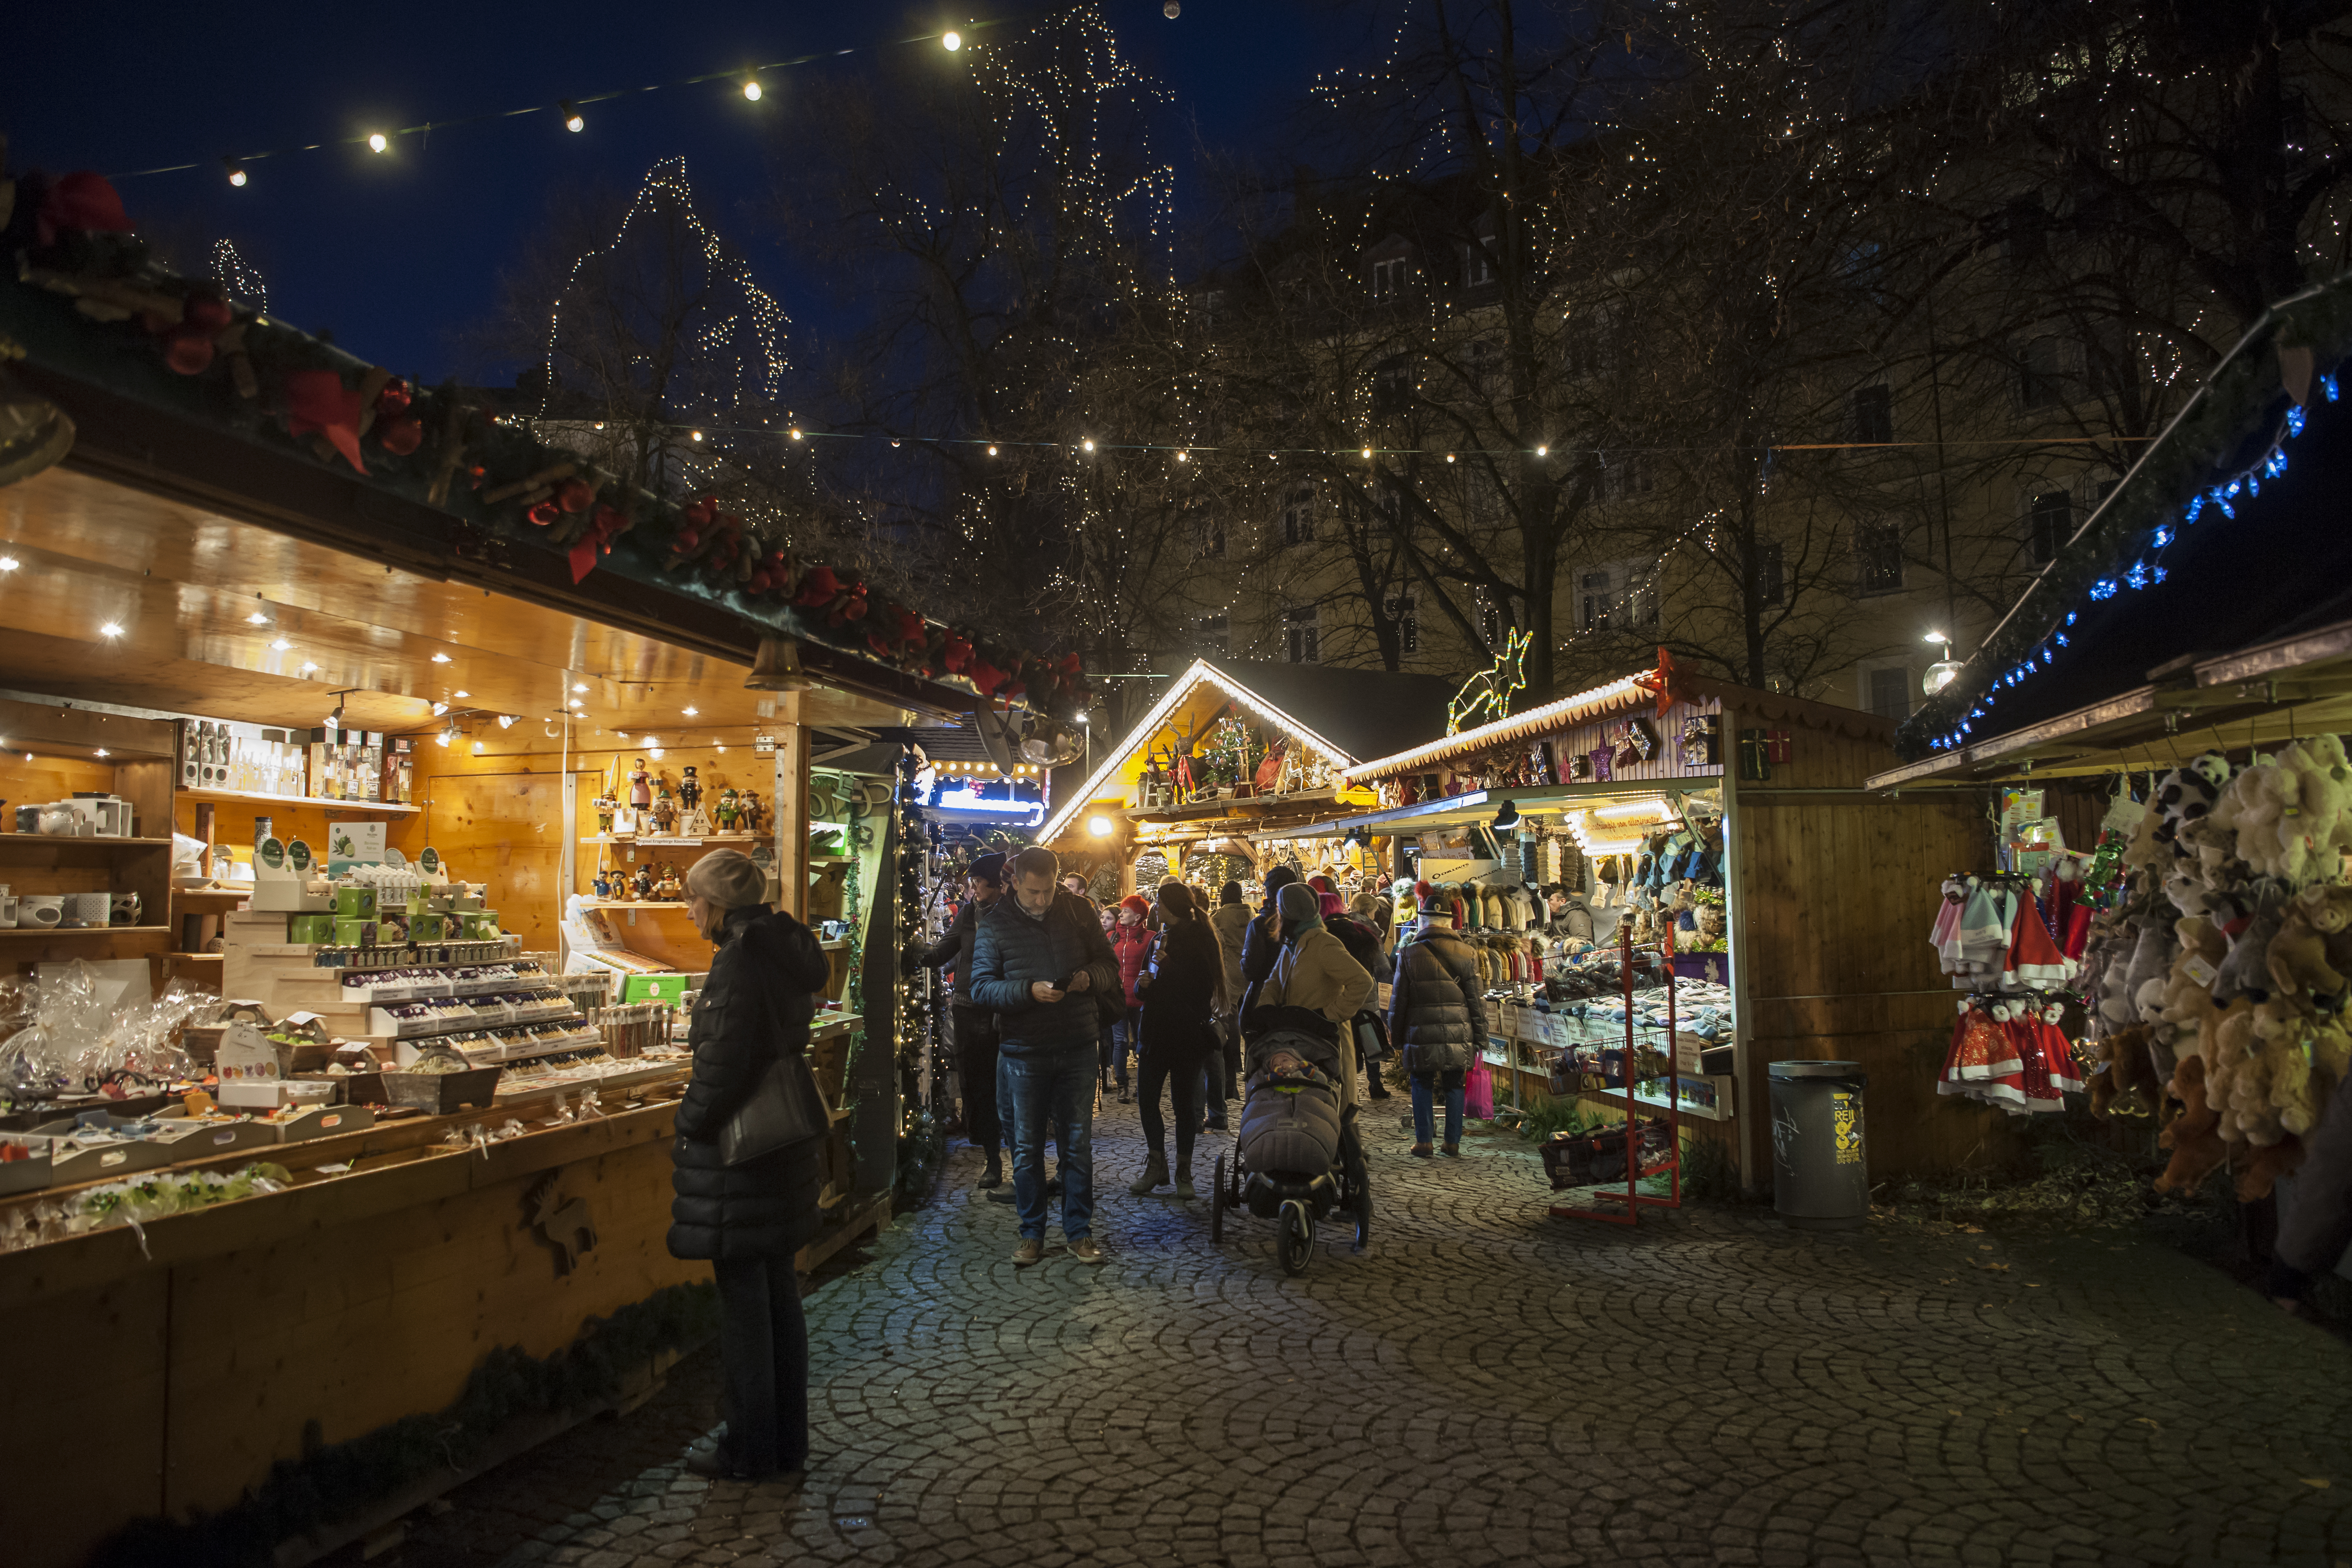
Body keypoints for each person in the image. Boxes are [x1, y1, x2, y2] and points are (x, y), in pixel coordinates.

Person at [666, 850, 831, 1481]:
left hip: (743, 1156)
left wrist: (689, 1123)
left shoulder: (739, 957)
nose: (689, 913)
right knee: (777, 1298)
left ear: (716, 904)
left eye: (693, 901)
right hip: (781, 1149)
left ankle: (750, 1449)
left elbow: (725, 1061)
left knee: (745, 1313)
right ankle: (786, 1440)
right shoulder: (783, 946)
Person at [970, 845, 1119, 1265]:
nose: (1040, 900)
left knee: (1077, 1146)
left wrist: (1090, 978)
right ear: (1015, 882)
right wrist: (1026, 990)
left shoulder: (1078, 911)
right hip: (1023, 1049)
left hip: (1076, 1044)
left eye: (1048, 891)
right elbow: (981, 986)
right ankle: (1031, 1232)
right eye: (1033, 892)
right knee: (1026, 1147)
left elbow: (1107, 964)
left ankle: (1079, 1231)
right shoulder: (995, 922)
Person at [1246, 880, 1376, 1206]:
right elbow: (1276, 982)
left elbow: (1362, 982)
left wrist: (1331, 1014)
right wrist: (1265, 1010)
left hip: (1326, 1041)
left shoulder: (1322, 944)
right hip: (1292, 1039)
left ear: (1287, 913)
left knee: (1341, 1114)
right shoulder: (1294, 944)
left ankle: (1357, 1191)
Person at [1128, 881, 1229, 1198]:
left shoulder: (1201, 939)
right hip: (1155, 1031)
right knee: (1147, 1099)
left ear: (1171, 906)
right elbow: (1147, 986)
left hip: (1187, 1033)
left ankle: (1183, 1171)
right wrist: (1141, 987)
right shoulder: (1160, 938)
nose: (1156, 907)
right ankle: (1156, 1164)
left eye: (1159, 902)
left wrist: (1170, 969)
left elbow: (1201, 989)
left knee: (1184, 1105)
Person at [919, 853, 1008, 1187]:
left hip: (1003, 1008)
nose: (972, 890)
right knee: (977, 1084)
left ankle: (1020, 1156)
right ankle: (992, 1158)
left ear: (998, 886)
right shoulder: (969, 913)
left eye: (978, 884)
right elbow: (946, 947)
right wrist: (917, 955)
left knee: (1009, 1085)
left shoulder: (1013, 914)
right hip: (969, 1010)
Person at [1386, 885, 1488, 1159]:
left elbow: (1398, 1002)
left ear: (1423, 920)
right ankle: (1452, 1142)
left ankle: (1424, 1142)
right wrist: (1481, 1037)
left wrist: (1395, 1037)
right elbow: (1476, 1001)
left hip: (1419, 1031)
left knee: (1421, 1084)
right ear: (1450, 922)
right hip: (1459, 1030)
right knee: (1454, 1085)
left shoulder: (1409, 954)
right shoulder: (1468, 953)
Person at [1321, 889, 1396, 1101]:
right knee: (1370, 1036)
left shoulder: (1329, 931)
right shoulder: (1368, 933)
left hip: (1338, 994)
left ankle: (1346, 1084)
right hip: (1366, 992)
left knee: (1347, 1040)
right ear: (1368, 911)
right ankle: (1375, 1083)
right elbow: (1382, 968)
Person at [1207, 880, 1252, 1125]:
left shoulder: (1219, 916)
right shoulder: (1252, 914)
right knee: (1248, 1016)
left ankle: (1233, 1068)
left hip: (1229, 970)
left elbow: (1218, 945)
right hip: (1248, 968)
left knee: (1228, 1017)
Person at [1107, 894, 1154, 1102]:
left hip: (1141, 999)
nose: (1121, 913)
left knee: (1142, 1043)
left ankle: (1143, 1085)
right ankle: (1123, 1086)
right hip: (1118, 999)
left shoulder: (1151, 937)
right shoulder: (1112, 938)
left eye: (1126, 911)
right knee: (1120, 1042)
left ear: (1138, 918)